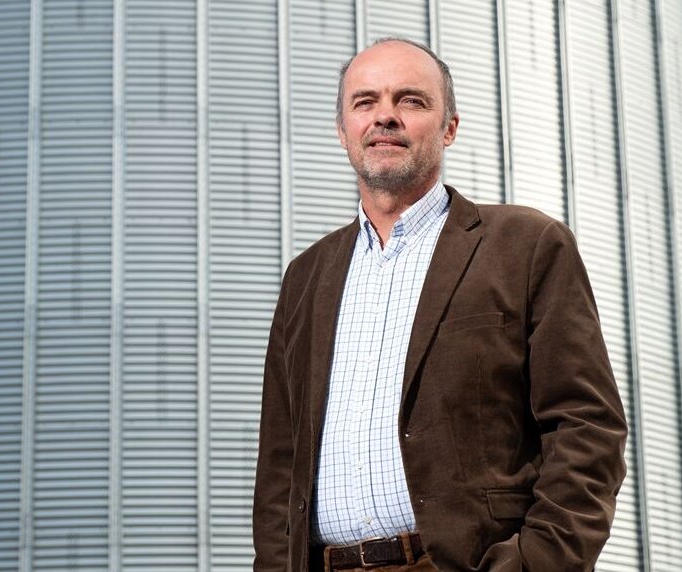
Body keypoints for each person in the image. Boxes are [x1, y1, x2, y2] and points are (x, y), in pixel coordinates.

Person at [253, 37, 627, 572]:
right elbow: (279, 463)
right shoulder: (306, 277)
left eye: (411, 100)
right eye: (365, 102)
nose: (385, 116)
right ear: (343, 132)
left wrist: (538, 562)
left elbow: (586, 427)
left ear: (450, 126)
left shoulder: (524, 245)